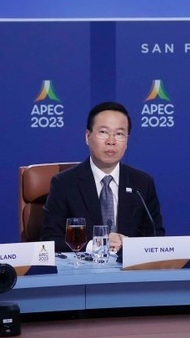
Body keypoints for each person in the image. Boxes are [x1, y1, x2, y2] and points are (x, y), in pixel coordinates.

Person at [40, 101, 164, 253]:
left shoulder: (142, 183)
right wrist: (97, 245)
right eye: (103, 132)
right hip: (83, 273)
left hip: (130, 273)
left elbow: (156, 237)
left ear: (126, 141)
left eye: (119, 134)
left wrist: (130, 245)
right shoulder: (64, 184)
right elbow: (49, 240)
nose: (111, 141)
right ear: (87, 137)